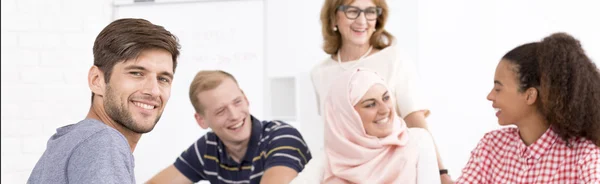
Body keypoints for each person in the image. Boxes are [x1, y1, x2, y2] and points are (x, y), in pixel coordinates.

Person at [27, 18, 181, 183]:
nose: (154, 90)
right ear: (96, 80)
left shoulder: (70, 143)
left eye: (163, 79)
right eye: (136, 73)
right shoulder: (104, 142)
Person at [312, 0, 452, 182]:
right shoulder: (319, 74)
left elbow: (416, 122)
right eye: (352, 11)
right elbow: (332, 135)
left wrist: (441, 173)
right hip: (347, 173)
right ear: (333, 18)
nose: (362, 21)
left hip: (396, 171)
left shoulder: (394, 58)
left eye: (370, 12)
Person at [456, 32, 600, 183]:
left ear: (530, 95)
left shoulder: (584, 155)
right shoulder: (492, 146)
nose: (490, 96)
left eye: (498, 89)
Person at [148, 70, 312, 184]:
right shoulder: (208, 147)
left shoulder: (282, 137)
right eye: (221, 111)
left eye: (237, 102)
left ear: (246, 99)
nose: (234, 115)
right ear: (201, 120)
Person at [291, 68, 440, 183]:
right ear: (348, 116)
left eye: (386, 98)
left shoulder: (418, 141)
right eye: (370, 104)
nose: (384, 109)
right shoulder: (332, 156)